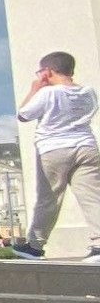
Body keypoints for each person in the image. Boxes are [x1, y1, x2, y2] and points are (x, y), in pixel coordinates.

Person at [9, 51, 100, 262]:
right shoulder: (88, 92)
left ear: (47, 71)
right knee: (92, 196)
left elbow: (24, 115)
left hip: (53, 148)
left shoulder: (48, 93)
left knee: (49, 198)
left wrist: (34, 89)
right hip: (86, 145)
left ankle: (35, 245)